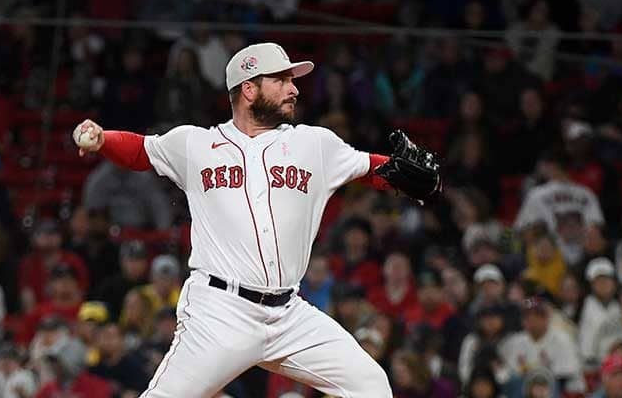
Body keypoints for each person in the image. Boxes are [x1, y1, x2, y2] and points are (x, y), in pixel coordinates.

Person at [73, 42, 442, 397]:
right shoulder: (194, 144)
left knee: (370, 385)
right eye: (281, 80)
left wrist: (402, 175)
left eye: (292, 81)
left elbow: (372, 168)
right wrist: (102, 139)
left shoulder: (315, 144)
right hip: (220, 312)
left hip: (289, 314)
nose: (294, 89)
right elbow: (141, 150)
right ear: (249, 89)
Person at [503, 297, 584, 394]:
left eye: (538, 315)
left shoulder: (562, 340)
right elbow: (510, 374)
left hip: (562, 391)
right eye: (527, 315)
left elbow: (566, 376)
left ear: (547, 317)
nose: (532, 319)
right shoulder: (516, 341)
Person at [580, 258, 622, 368]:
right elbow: (587, 348)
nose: (603, 284)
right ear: (592, 285)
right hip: (594, 365)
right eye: (599, 281)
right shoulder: (586, 307)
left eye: (606, 280)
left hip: (619, 363)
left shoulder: (617, 307)